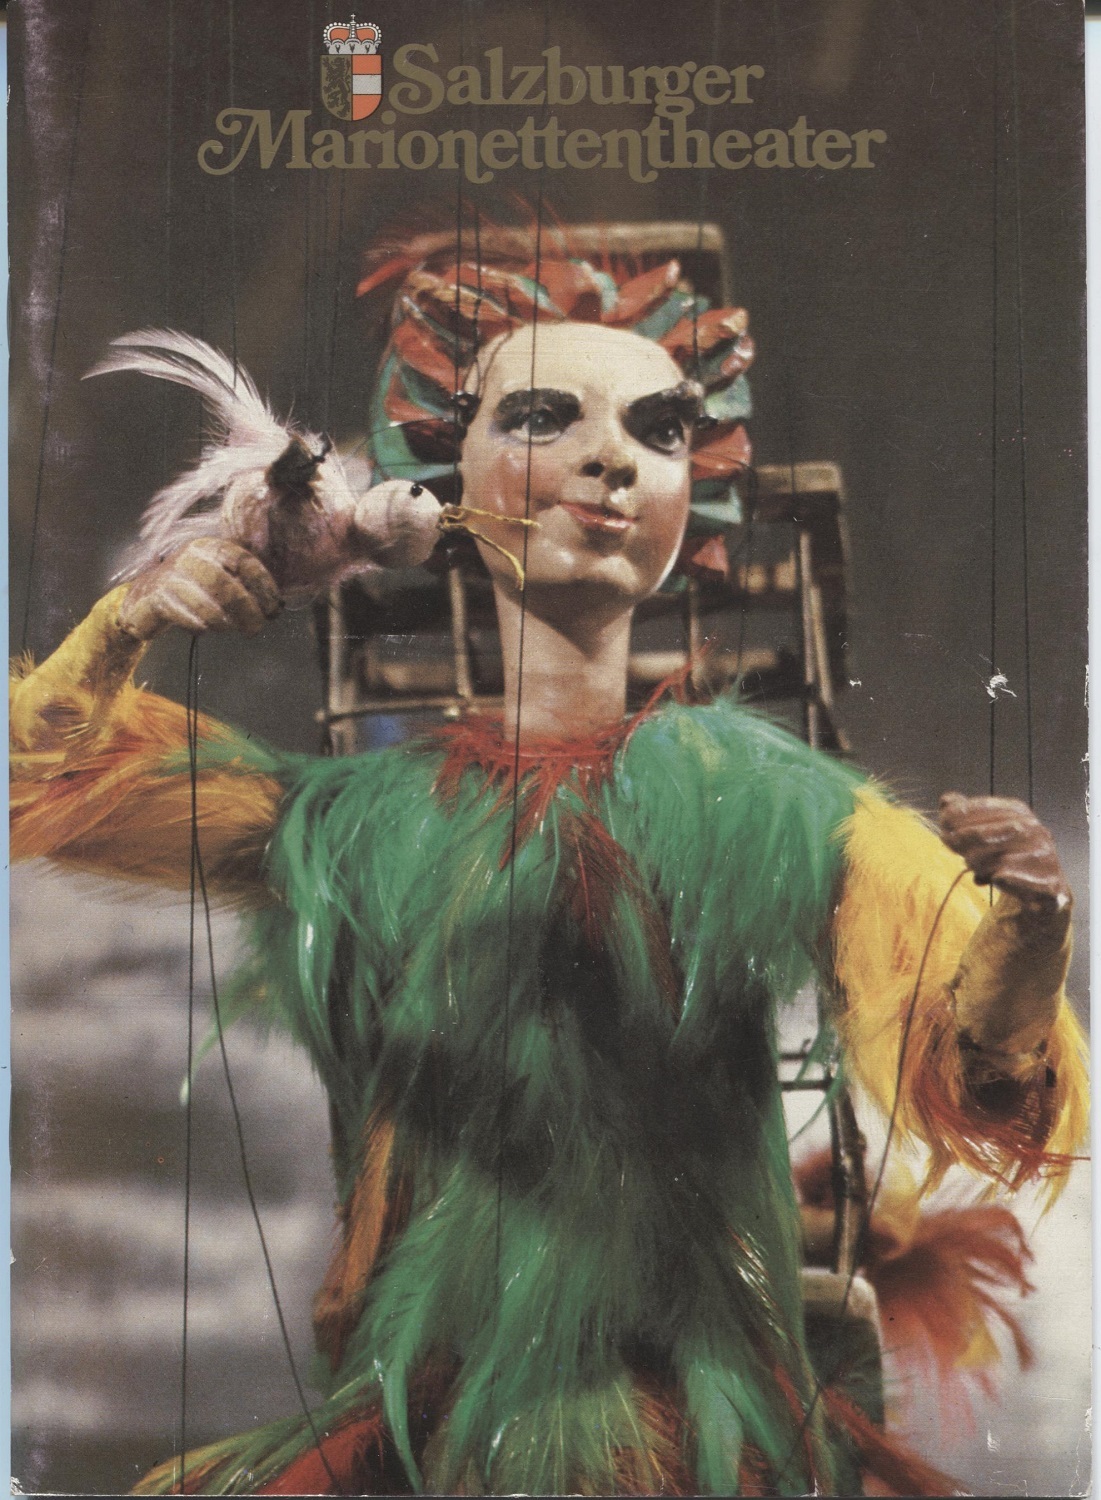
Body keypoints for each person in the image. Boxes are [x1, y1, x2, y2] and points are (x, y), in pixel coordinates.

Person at [10, 235, 1087, 1497]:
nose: (610, 458)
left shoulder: (770, 804)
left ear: (693, 491)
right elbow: (45, 778)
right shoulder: (352, 824)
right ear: (442, 478)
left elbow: (985, 1065)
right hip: (441, 1405)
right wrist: (129, 618)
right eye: (541, 416)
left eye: (659, 429)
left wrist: (1028, 936)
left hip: (696, 1408)